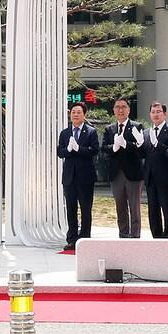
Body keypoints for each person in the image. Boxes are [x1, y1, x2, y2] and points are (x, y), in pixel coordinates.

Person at [56, 103, 98, 251]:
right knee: (71, 209)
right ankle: (72, 238)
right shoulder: (65, 133)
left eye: (79, 112)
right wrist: (68, 150)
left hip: (85, 177)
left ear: (84, 115)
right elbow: (60, 152)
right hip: (69, 177)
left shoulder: (91, 132)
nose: (75, 114)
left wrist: (79, 149)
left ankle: (85, 238)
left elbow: (94, 150)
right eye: (73, 112)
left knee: (86, 209)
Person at [100, 97, 144, 238]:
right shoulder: (109, 129)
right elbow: (104, 148)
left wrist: (126, 144)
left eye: (123, 107)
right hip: (116, 173)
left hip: (133, 173)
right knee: (120, 207)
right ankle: (123, 234)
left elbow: (141, 149)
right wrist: (114, 147)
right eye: (117, 107)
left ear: (128, 110)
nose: (120, 110)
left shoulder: (137, 127)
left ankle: (135, 235)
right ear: (113, 110)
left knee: (134, 207)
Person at [139, 101, 168, 238]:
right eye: (153, 112)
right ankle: (156, 237)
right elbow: (143, 154)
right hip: (150, 176)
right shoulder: (145, 132)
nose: (155, 114)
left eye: (158, 112)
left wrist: (158, 144)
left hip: (165, 176)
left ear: (164, 114)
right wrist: (138, 145)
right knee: (153, 210)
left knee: (167, 209)